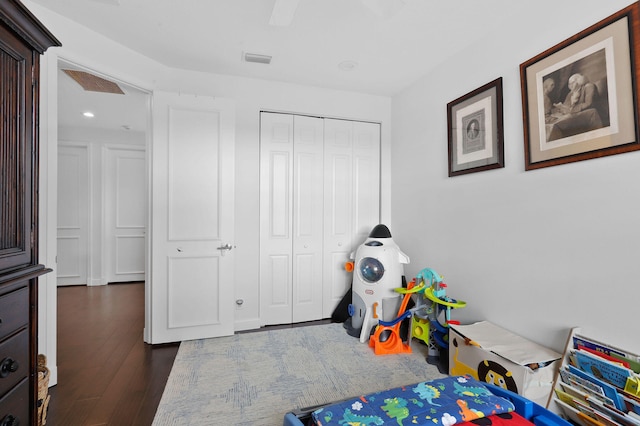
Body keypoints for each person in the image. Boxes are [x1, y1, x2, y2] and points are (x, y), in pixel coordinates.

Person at [546, 73, 603, 141]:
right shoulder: (570, 93)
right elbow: (566, 106)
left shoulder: (589, 86)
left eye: (571, 83)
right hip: (574, 114)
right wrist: (560, 107)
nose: (569, 86)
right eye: (569, 84)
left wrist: (572, 109)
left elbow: (589, 103)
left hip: (587, 114)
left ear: (578, 81)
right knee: (553, 124)